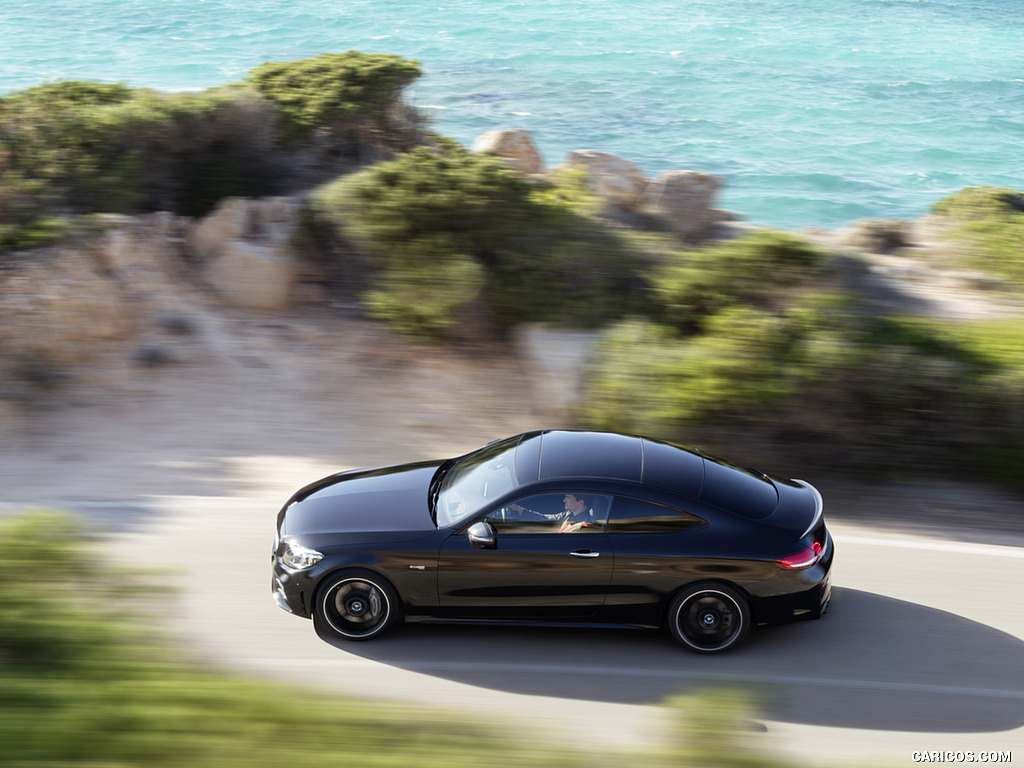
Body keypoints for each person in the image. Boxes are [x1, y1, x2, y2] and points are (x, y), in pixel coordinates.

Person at [509, 493, 598, 532]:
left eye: (568, 498)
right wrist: (520, 510)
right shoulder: (568, 514)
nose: (564, 500)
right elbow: (545, 518)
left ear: (581, 502)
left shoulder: (584, 526)